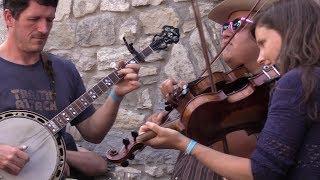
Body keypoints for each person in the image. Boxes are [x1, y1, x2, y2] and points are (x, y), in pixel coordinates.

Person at [140, 0, 320, 179]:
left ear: (286, 31)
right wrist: (183, 112)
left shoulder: (291, 82)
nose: (226, 31)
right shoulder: (235, 87)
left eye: (238, 24)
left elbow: (258, 163)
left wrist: (184, 139)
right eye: (224, 26)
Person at [0, 0, 140, 177]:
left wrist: (116, 94)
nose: (44, 29)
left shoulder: (64, 70)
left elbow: (93, 134)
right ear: (9, 17)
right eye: (34, 19)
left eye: (49, 20)